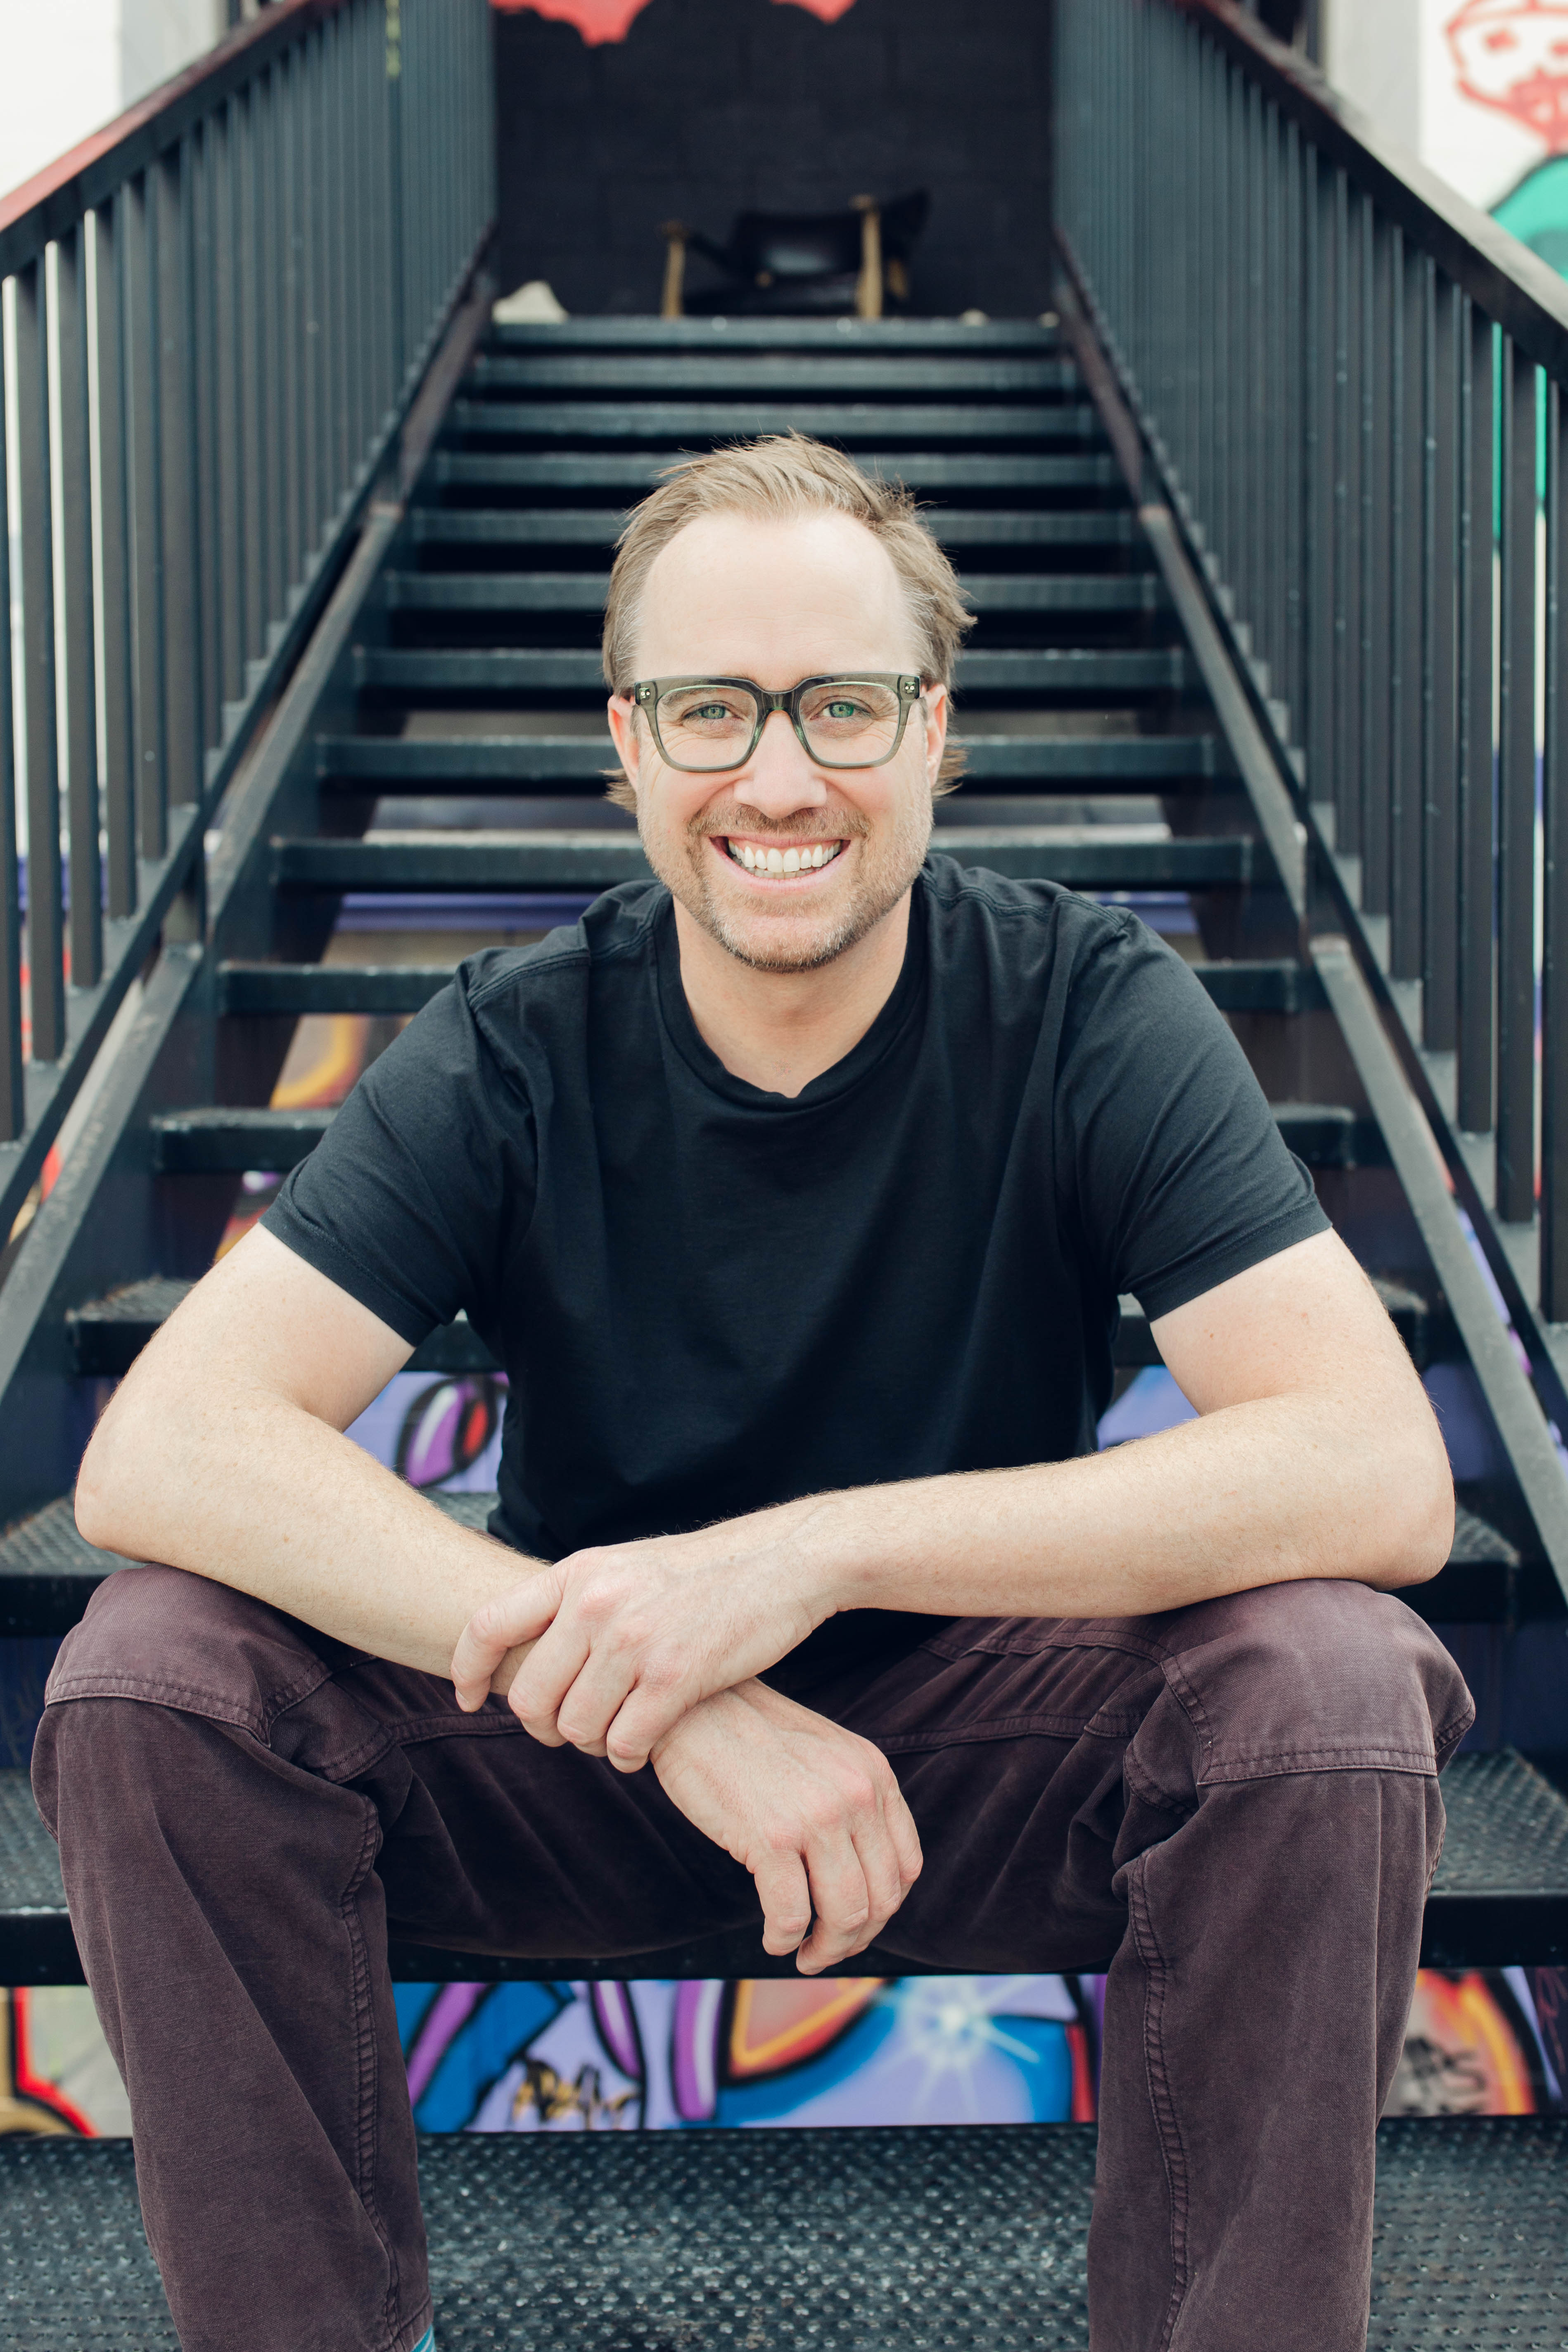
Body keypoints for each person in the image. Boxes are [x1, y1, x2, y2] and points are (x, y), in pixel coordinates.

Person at [37, 434, 1469, 2352]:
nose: (776, 777)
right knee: (153, 1674)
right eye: (710, 707)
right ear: (625, 743)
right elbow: (165, 1443)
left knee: (1327, 1681)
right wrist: (681, 1693)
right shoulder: (511, 1043)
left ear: (932, 731)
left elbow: (1373, 1467)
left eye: (840, 705)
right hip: (580, 1762)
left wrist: (795, 1559)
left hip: (988, 1751)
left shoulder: (1084, 1007)